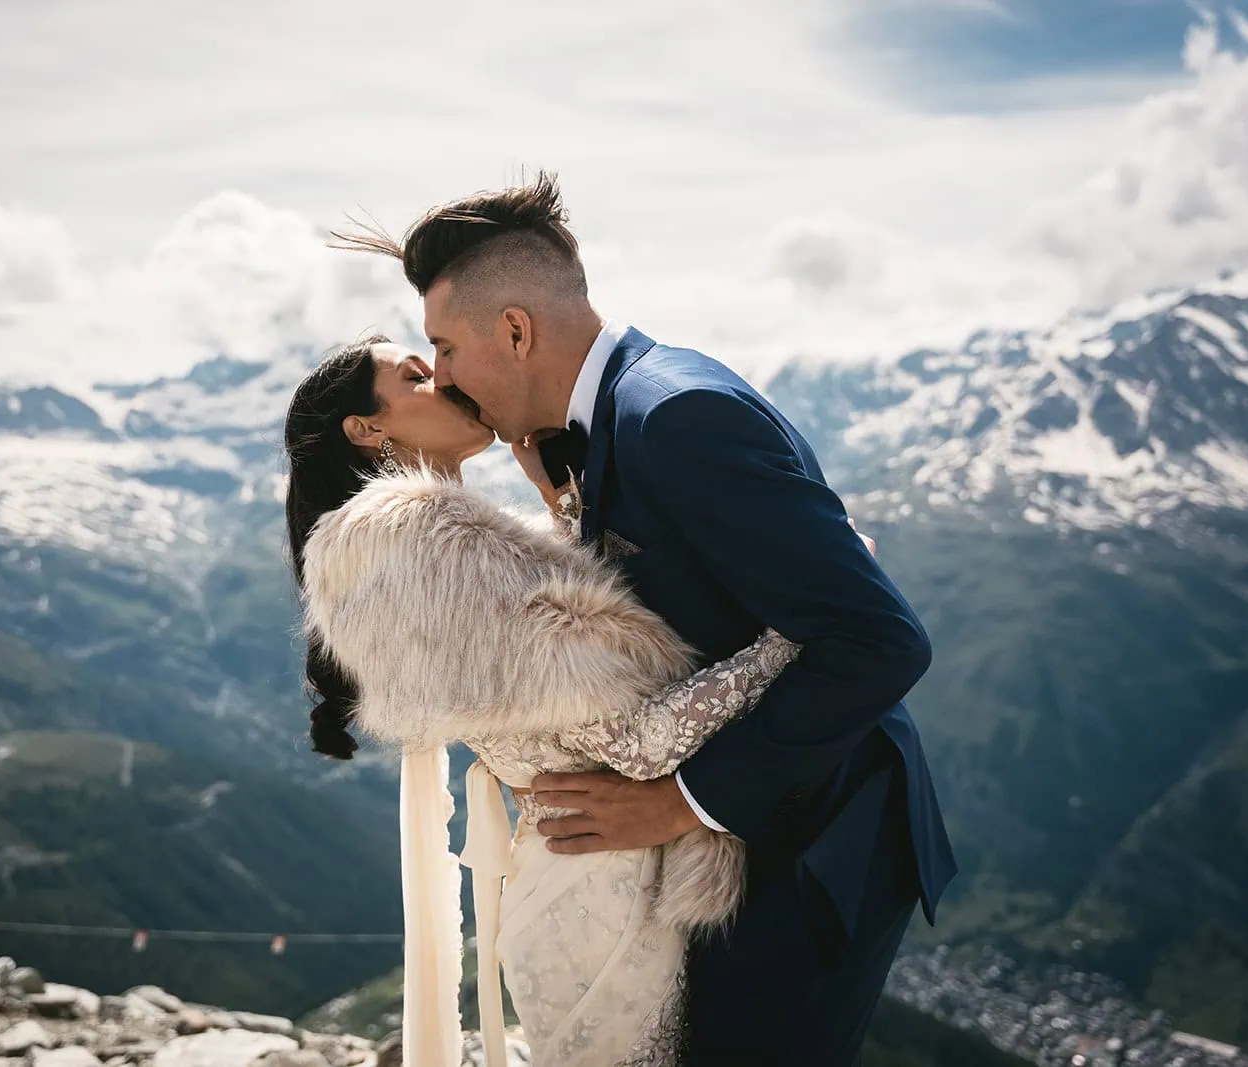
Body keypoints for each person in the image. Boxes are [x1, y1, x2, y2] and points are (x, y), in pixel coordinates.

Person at [332, 173, 957, 1065]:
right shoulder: (617, 416)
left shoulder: (674, 416)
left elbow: (882, 639)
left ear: (516, 330)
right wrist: (565, 506)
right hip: (757, 823)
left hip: (819, 827)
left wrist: (678, 802)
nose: (448, 376)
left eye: (447, 347)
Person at [286, 336, 798, 1067]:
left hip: (595, 872)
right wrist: (791, 637)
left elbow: (561, 652)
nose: (447, 376)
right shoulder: (418, 547)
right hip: (600, 890)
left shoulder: (435, 548)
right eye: (417, 375)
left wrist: (560, 502)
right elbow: (634, 740)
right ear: (367, 428)